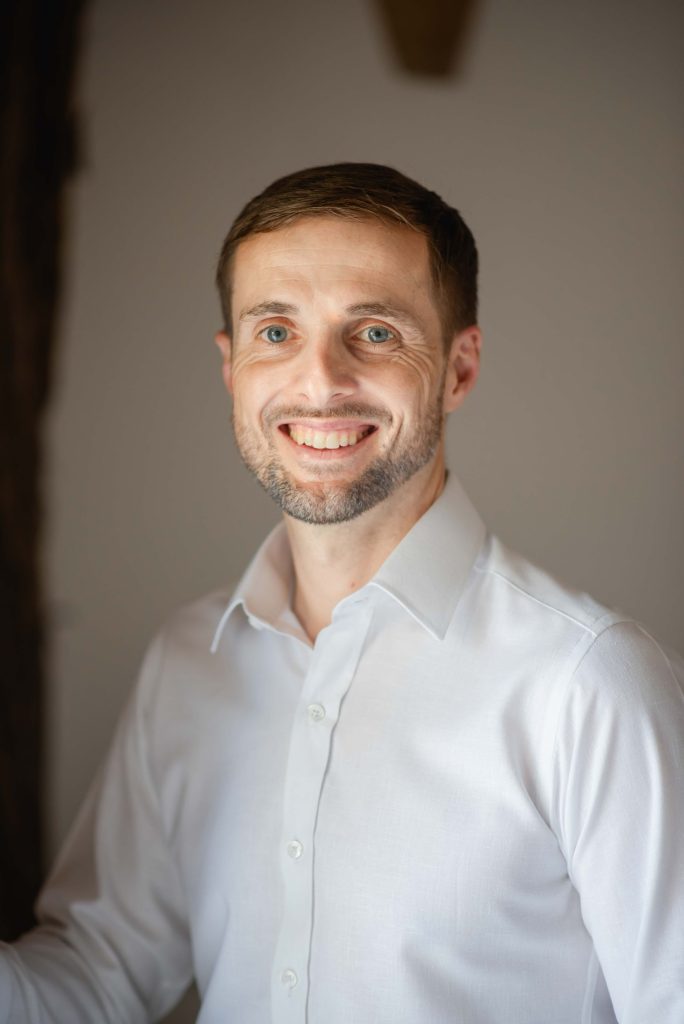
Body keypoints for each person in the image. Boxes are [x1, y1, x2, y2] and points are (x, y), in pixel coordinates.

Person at [1, 163, 683, 1024]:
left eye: (376, 333)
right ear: (231, 369)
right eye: (276, 332)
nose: (319, 381)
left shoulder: (588, 683)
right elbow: (97, 982)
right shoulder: (187, 663)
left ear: (459, 369)